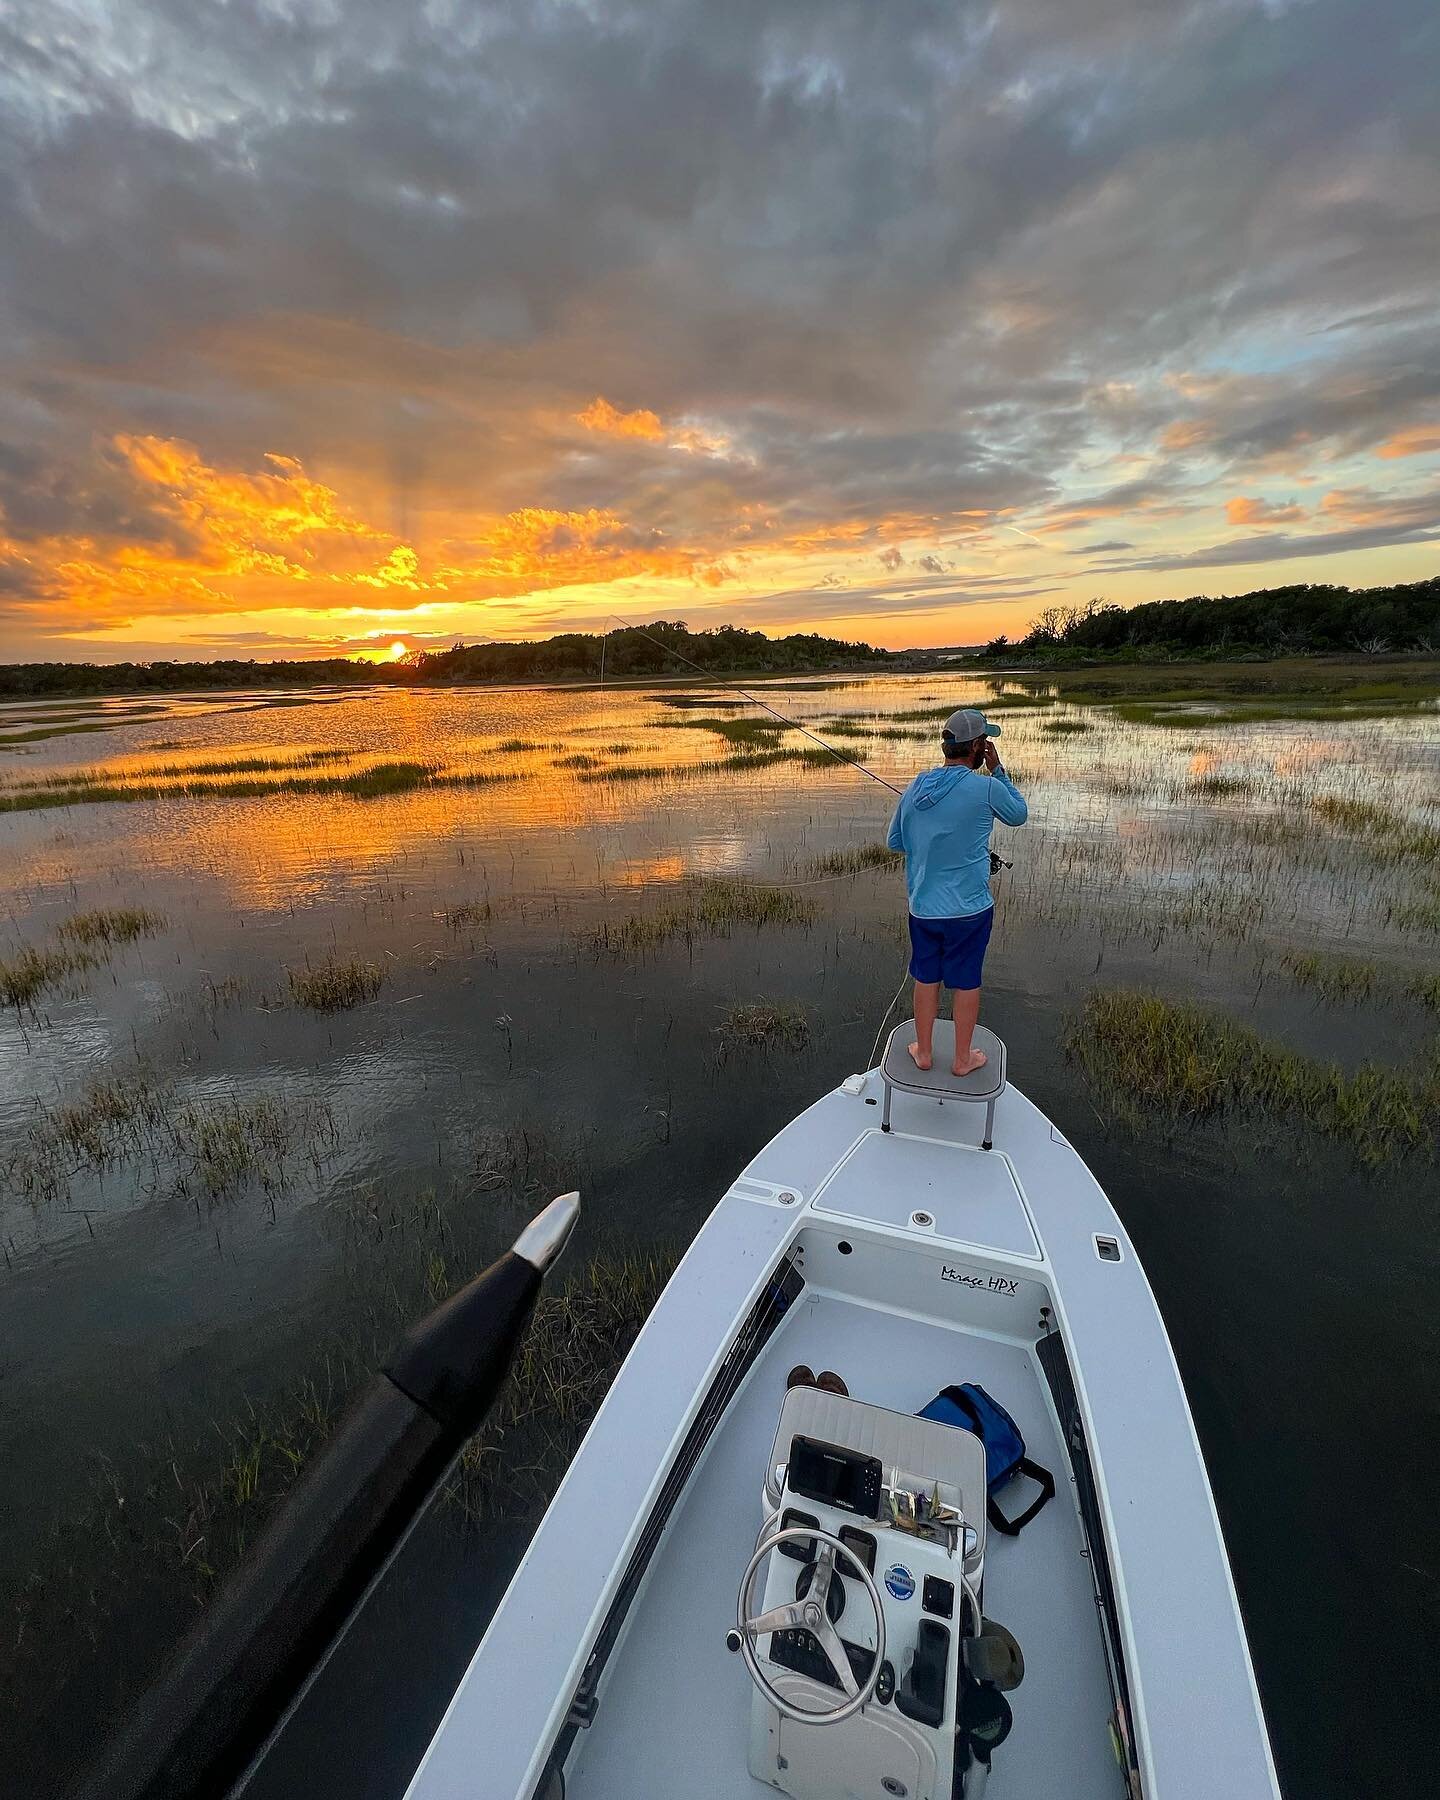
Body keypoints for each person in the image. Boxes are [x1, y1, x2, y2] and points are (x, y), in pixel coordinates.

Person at [886, 706, 1027, 1077]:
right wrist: (999, 770)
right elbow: (1018, 814)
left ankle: (925, 1053)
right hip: (970, 910)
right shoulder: (988, 787)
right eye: (985, 742)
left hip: (924, 909)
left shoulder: (917, 785)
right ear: (978, 747)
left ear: (947, 746)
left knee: (925, 977)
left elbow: (894, 840)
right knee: (966, 981)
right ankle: (963, 1060)